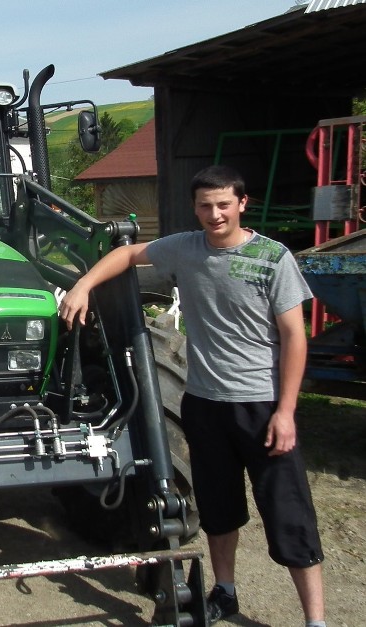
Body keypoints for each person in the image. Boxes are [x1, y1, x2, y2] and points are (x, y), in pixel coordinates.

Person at [58, 165, 325, 627]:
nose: (214, 214)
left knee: (289, 515)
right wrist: (82, 285)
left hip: (261, 407)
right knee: (218, 510)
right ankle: (225, 591)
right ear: (195, 207)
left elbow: (294, 338)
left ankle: (315, 619)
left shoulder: (272, 258)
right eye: (205, 205)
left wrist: (286, 411)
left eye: (224, 204)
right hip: (203, 404)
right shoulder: (185, 248)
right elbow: (127, 255)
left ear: (242, 204)